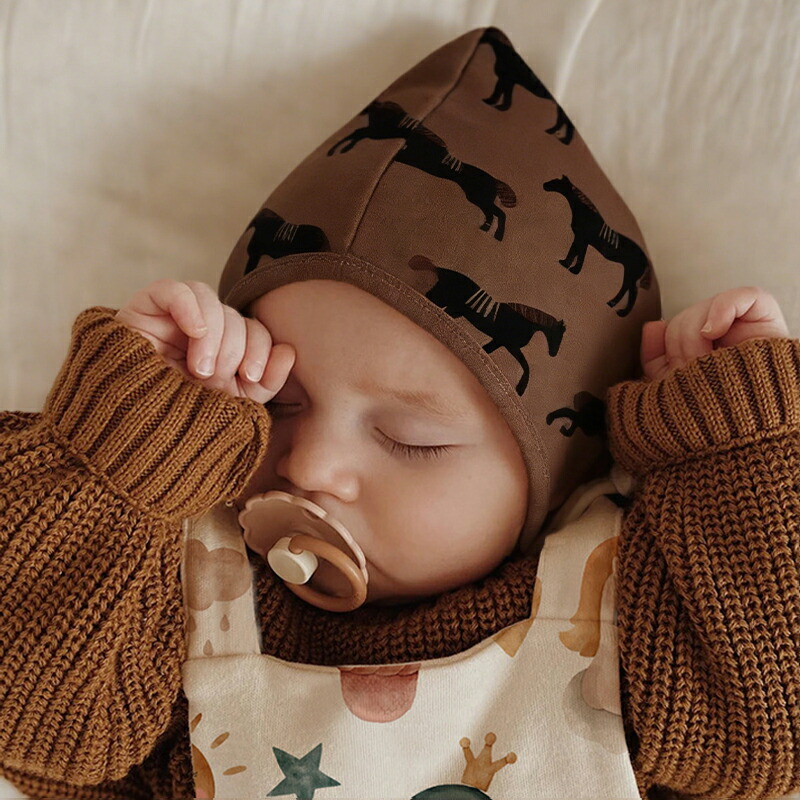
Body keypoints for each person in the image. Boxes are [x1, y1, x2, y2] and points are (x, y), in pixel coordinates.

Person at [0, 25, 798, 800]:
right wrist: (126, 445)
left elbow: (778, 733)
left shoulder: (627, 612)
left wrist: (736, 457)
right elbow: (33, 732)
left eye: (408, 438)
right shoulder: (170, 590)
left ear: (554, 480)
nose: (311, 466)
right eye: (279, 405)